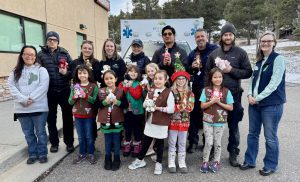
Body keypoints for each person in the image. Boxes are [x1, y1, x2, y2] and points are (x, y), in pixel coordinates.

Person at [205, 22, 253, 167]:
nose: (227, 37)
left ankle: (233, 152)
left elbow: (248, 72)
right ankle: (212, 150)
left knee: (233, 126)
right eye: (225, 34)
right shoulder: (214, 54)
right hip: (215, 96)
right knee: (213, 124)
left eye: (230, 34)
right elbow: (207, 73)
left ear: (234, 36)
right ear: (221, 36)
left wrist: (231, 70)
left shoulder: (241, 53)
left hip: (233, 95)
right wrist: (207, 91)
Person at [239, 31, 286, 176]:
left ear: (274, 43)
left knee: (270, 137)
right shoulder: (259, 61)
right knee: (252, 133)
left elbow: (274, 84)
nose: (265, 43)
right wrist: (249, 94)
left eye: (268, 41)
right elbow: (253, 81)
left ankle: (271, 165)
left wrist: (257, 97)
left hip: (271, 105)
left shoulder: (278, 59)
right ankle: (250, 160)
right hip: (255, 104)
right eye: (263, 41)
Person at [8, 45, 50, 164]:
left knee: (40, 132)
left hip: (39, 107)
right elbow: (11, 87)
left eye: (32, 54)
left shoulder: (41, 70)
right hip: (22, 109)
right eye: (26, 54)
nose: (29, 56)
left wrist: (30, 98)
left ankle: (42, 153)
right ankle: (32, 153)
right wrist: (23, 100)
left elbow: (43, 87)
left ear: (35, 56)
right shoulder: (15, 71)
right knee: (28, 133)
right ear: (22, 55)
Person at [128, 70, 175, 175]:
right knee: (146, 141)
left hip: (161, 122)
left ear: (165, 80)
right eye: (156, 78)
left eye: (160, 78)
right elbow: (144, 103)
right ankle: (140, 160)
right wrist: (148, 105)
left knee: (159, 143)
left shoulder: (168, 92)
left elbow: (171, 109)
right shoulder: (151, 91)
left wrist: (158, 108)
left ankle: (159, 163)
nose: (157, 81)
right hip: (150, 121)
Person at [38, 31, 74, 153]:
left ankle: (69, 142)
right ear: (47, 41)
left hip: (64, 89)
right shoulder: (41, 55)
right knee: (51, 119)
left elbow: (73, 72)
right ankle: (54, 143)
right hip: (49, 91)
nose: (52, 41)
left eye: (54, 39)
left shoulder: (64, 53)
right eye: (50, 39)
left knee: (68, 118)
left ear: (58, 41)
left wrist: (66, 73)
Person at [186, 28, 218, 153]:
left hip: (210, 88)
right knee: (193, 116)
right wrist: (191, 67)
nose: (200, 39)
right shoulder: (193, 53)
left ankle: (207, 143)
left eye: (202, 36)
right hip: (196, 88)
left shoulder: (214, 50)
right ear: (195, 39)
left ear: (206, 37)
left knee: (208, 116)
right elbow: (187, 70)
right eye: (197, 37)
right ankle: (193, 142)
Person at [199, 68, 234, 173]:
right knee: (208, 142)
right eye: (215, 77)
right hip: (207, 120)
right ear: (211, 78)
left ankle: (216, 161)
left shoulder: (226, 91)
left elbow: (230, 107)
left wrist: (219, 103)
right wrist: (212, 101)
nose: (217, 79)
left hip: (220, 120)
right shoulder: (206, 90)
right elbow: (202, 105)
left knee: (217, 142)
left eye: (220, 77)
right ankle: (205, 161)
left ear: (222, 78)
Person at [70, 40, 101, 141]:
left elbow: (98, 77)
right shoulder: (75, 62)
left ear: (92, 50)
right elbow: (72, 76)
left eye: (90, 48)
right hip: (78, 94)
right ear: (81, 49)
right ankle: (83, 142)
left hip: (91, 92)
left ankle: (92, 141)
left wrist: (89, 70)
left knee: (91, 120)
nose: (87, 50)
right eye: (85, 48)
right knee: (80, 121)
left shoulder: (96, 62)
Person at [97, 70, 128, 171]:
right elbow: (96, 105)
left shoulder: (120, 91)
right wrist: (105, 102)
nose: (109, 80)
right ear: (104, 80)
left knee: (116, 141)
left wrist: (117, 102)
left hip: (117, 120)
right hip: (105, 121)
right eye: (106, 79)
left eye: (111, 78)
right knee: (107, 141)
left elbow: (125, 104)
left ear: (116, 79)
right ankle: (107, 159)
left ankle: (117, 159)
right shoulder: (100, 91)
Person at [168, 58, 194, 173]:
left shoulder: (190, 93)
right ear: (175, 80)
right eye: (179, 78)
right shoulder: (171, 92)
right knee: (172, 141)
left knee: (182, 142)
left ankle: (182, 162)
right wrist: (179, 107)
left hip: (184, 120)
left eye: (183, 78)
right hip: (173, 121)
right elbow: (169, 107)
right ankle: (171, 162)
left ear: (186, 80)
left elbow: (191, 107)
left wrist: (185, 107)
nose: (181, 81)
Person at [68, 65, 99, 165]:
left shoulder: (93, 86)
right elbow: (70, 102)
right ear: (77, 74)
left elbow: (95, 100)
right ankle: (82, 153)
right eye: (80, 73)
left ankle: (90, 153)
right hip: (77, 115)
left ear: (89, 74)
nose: (82, 75)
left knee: (89, 136)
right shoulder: (75, 86)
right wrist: (74, 97)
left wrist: (85, 96)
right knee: (80, 137)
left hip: (89, 116)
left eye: (85, 73)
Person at [118, 65, 144, 157]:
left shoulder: (139, 84)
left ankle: (137, 145)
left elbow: (137, 96)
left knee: (137, 128)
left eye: (135, 71)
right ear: (127, 72)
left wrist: (130, 87)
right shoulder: (122, 83)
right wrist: (126, 86)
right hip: (126, 110)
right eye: (130, 71)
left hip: (137, 110)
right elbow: (120, 94)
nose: (133, 73)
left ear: (138, 74)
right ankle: (127, 145)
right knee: (127, 128)